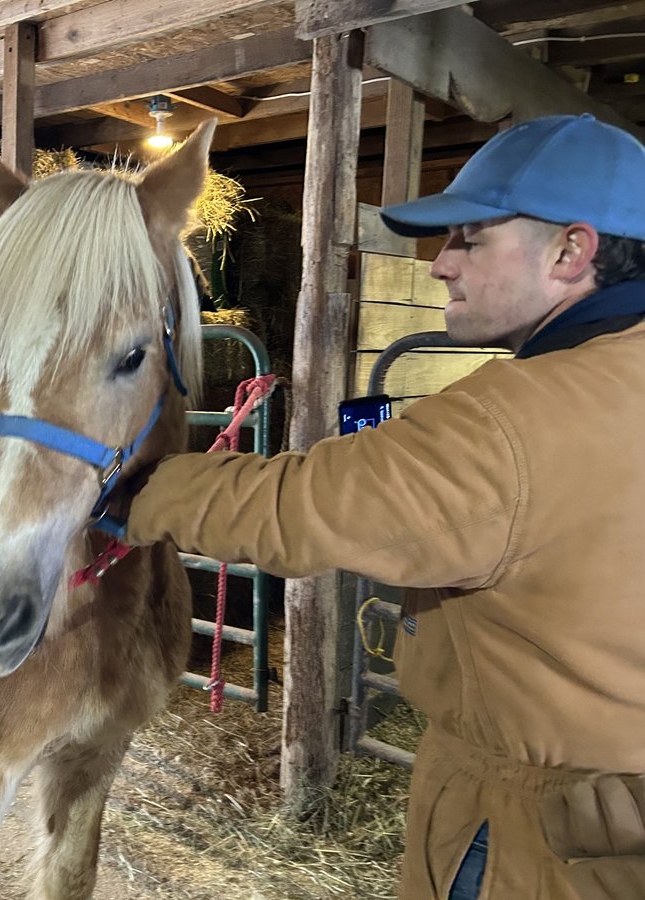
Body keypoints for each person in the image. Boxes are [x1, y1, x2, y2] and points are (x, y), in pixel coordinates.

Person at [123, 113, 645, 899]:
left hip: (542, 834)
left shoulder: (521, 416)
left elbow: (302, 508)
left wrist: (135, 487)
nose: (439, 267)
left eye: (468, 238)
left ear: (572, 251)